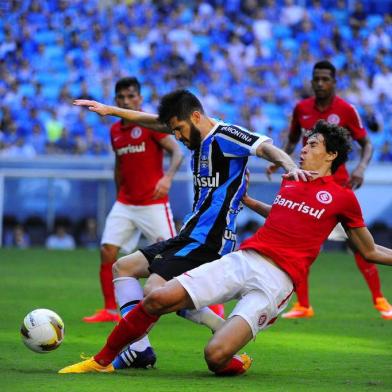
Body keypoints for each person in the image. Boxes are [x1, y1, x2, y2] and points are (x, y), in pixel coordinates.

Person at [58, 120, 392, 376]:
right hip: (244, 259)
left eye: (313, 144)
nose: (303, 149)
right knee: (156, 298)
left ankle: (239, 350)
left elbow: (369, 251)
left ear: (331, 154)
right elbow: (281, 215)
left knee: (215, 357)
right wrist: (246, 199)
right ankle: (102, 360)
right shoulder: (291, 180)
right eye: (305, 143)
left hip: (277, 282)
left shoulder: (343, 197)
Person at [72, 89, 313, 370]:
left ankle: (136, 349)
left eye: (179, 130)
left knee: (155, 290)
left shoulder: (225, 136)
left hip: (210, 239)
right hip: (189, 234)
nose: (177, 137)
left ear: (196, 117)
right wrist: (111, 110)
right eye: (174, 131)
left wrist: (289, 165)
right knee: (123, 267)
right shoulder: (194, 134)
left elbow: (264, 147)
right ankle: (154, 345)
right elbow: (155, 121)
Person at [267, 60, 392, 320]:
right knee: (297, 241)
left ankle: (380, 300)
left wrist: (361, 168)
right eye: (316, 79)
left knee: (360, 245)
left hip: (338, 187)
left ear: (334, 82)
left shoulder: (346, 110)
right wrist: (279, 159)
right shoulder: (301, 108)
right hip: (306, 184)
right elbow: (291, 140)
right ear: (312, 81)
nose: (320, 83)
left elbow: (366, 144)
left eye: (325, 79)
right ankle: (303, 305)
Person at [83, 77, 183, 324]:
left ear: (139, 98)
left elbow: (177, 151)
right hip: (126, 203)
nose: (126, 101)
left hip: (153, 204)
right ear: (116, 100)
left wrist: (168, 178)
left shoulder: (151, 125)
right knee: (107, 251)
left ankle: (207, 302)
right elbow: (119, 164)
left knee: (177, 254)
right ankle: (109, 310)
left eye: (131, 96)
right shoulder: (115, 130)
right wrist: (119, 195)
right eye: (121, 98)